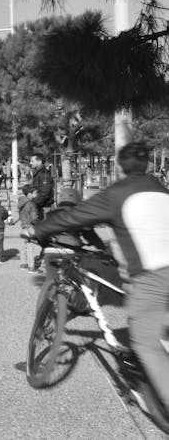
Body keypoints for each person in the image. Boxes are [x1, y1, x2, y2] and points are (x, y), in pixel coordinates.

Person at [25, 142, 169, 408]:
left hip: (154, 272)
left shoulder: (117, 193)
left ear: (120, 167)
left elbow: (75, 217)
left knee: (145, 341)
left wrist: (38, 231)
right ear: (148, 164)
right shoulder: (162, 190)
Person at [18, 185, 40, 274]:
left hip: (23, 225)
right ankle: (31, 267)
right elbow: (34, 218)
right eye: (35, 193)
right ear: (29, 194)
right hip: (30, 226)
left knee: (24, 246)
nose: (37, 194)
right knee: (30, 247)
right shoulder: (31, 204)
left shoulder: (21, 201)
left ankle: (23, 264)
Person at [30, 153, 54, 220]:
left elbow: (45, 192)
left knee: (45, 227)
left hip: (44, 207)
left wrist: (35, 202)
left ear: (39, 161)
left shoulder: (44, 174)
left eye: (32, 161)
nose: (31, 163)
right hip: (39, 206)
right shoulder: (37, 173)